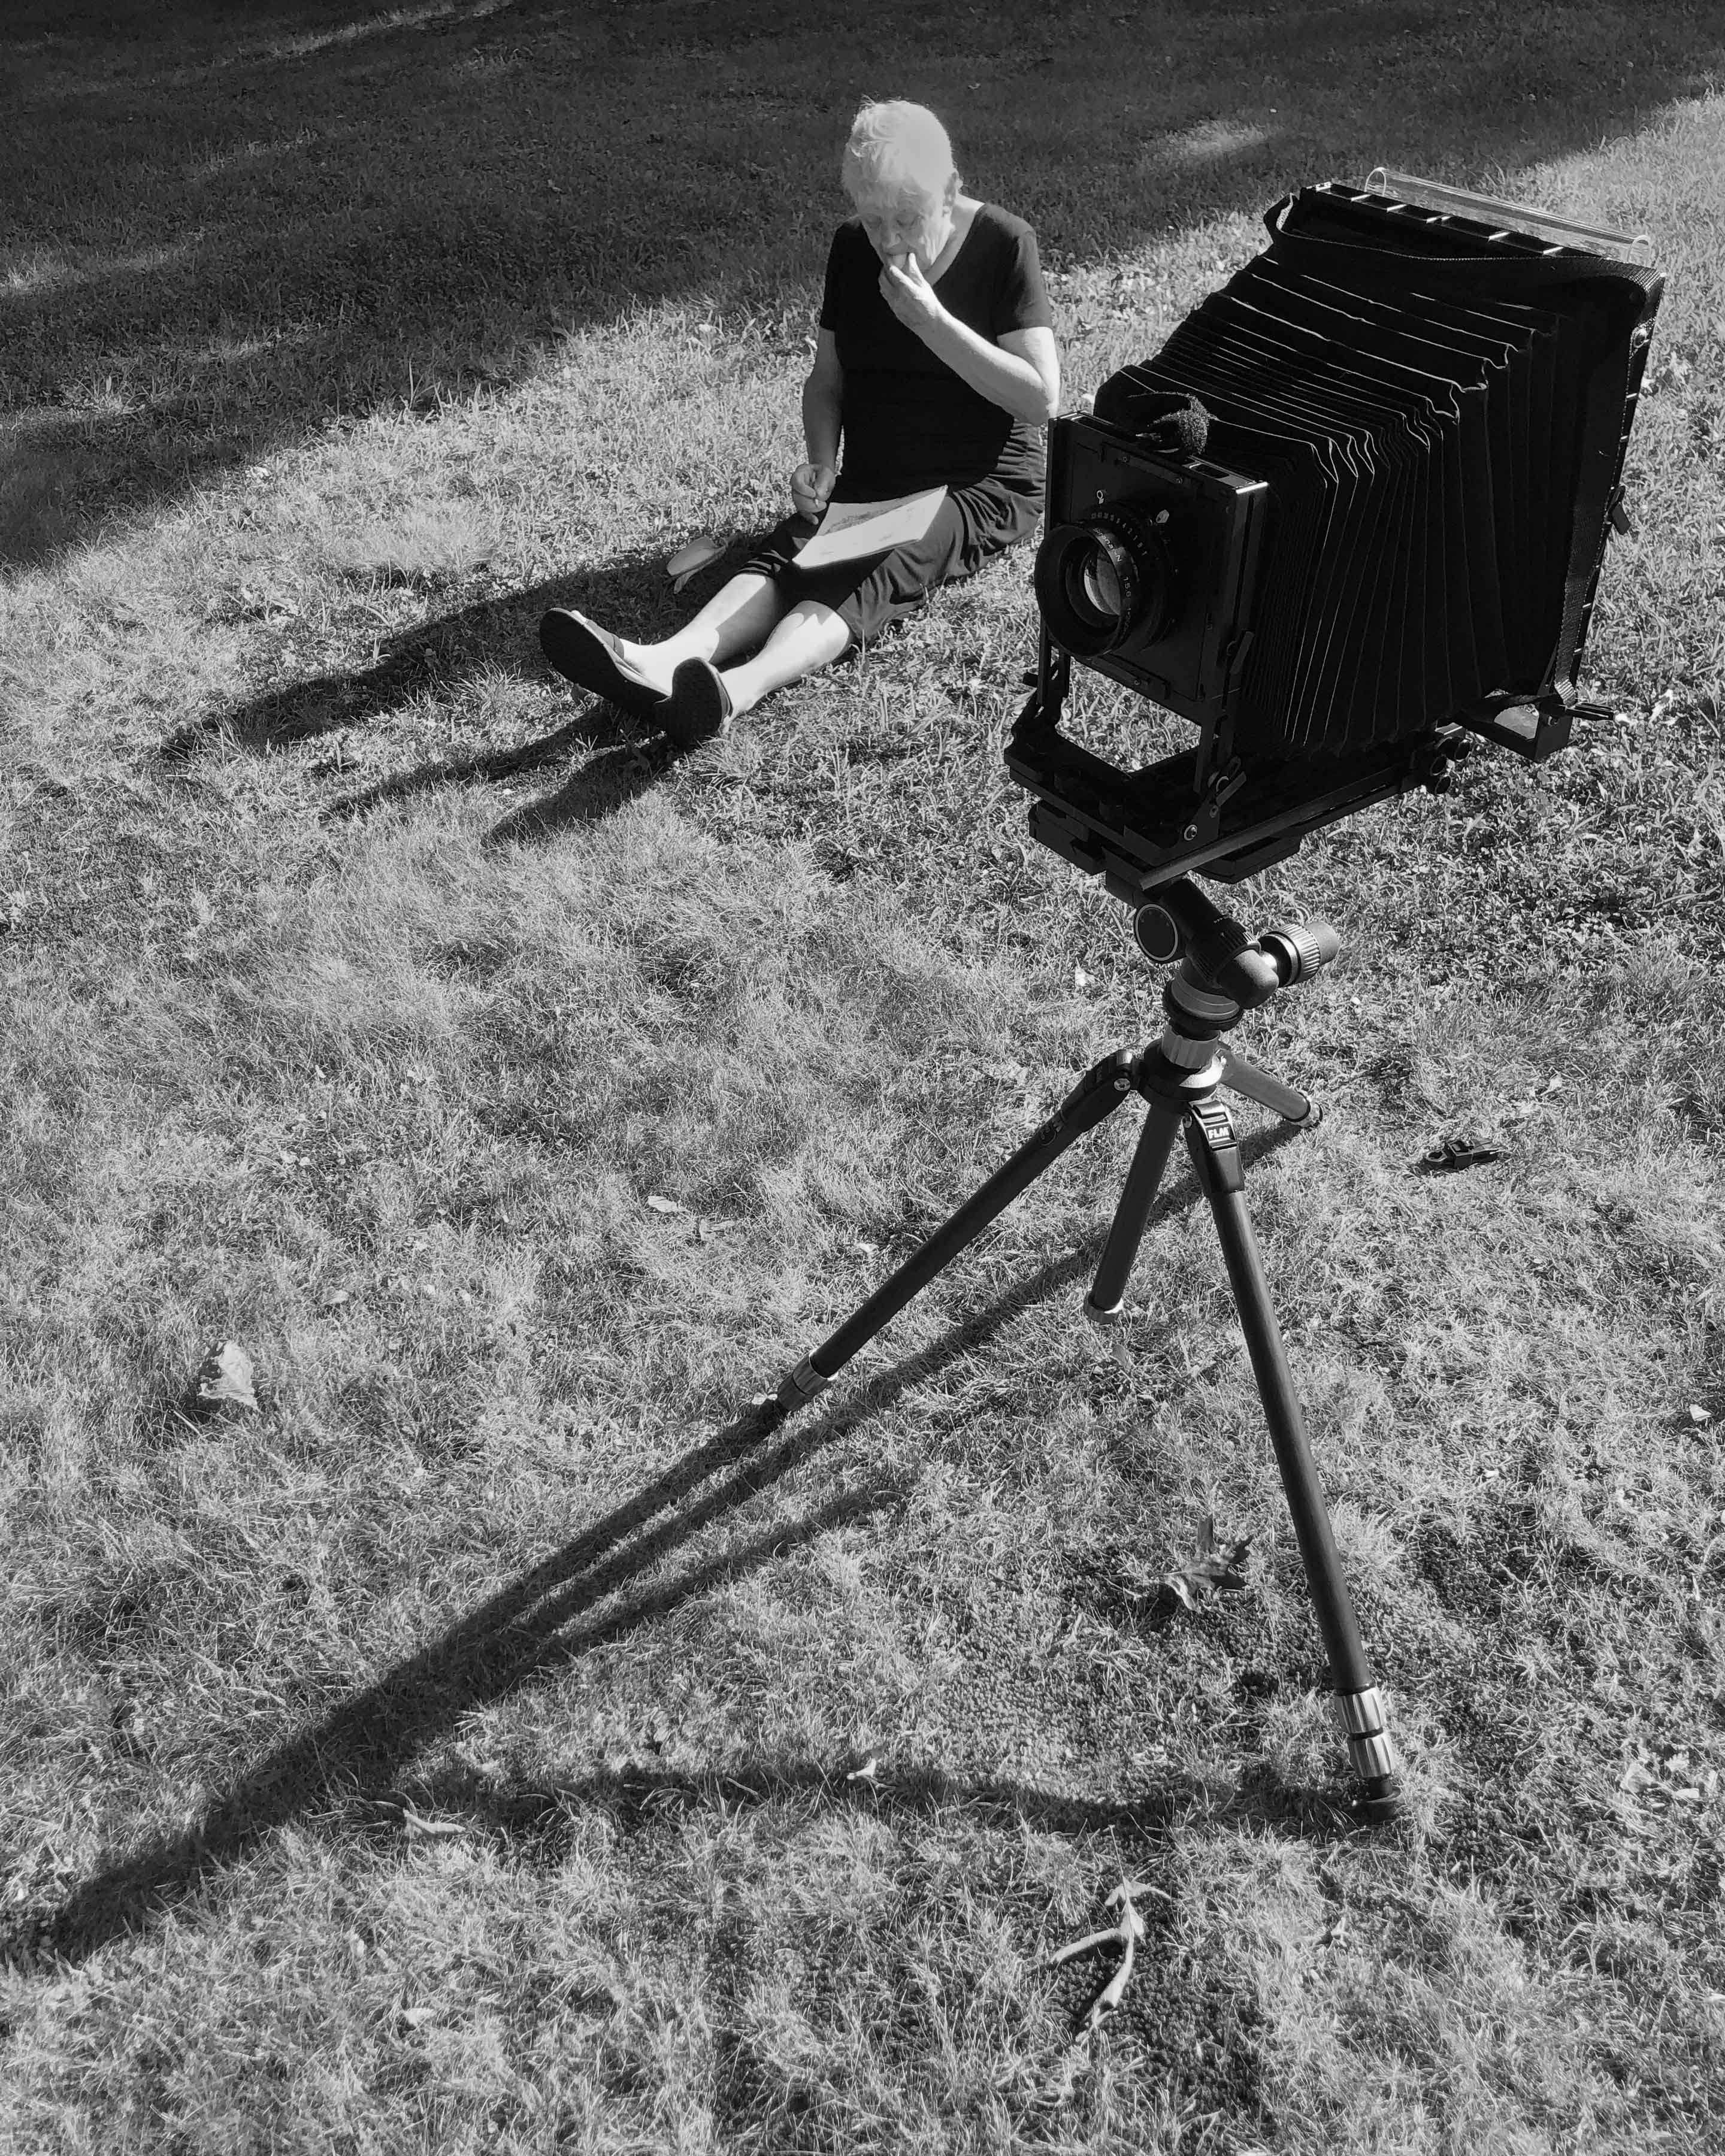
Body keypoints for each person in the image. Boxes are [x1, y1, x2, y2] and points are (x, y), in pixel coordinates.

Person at [538, 98, 1061, 747]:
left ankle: (732, 692)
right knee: (802, 546)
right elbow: (828, 379)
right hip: (877, 470)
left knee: (886, 556)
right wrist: (822, 460)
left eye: (908, 219)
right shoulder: (851, 248)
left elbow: (1041, 400)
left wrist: (933, 323)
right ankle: (665, 659)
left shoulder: (1005, 244)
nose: (891, 240)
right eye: (875, 221)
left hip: (978, 480)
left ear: (950, 191)